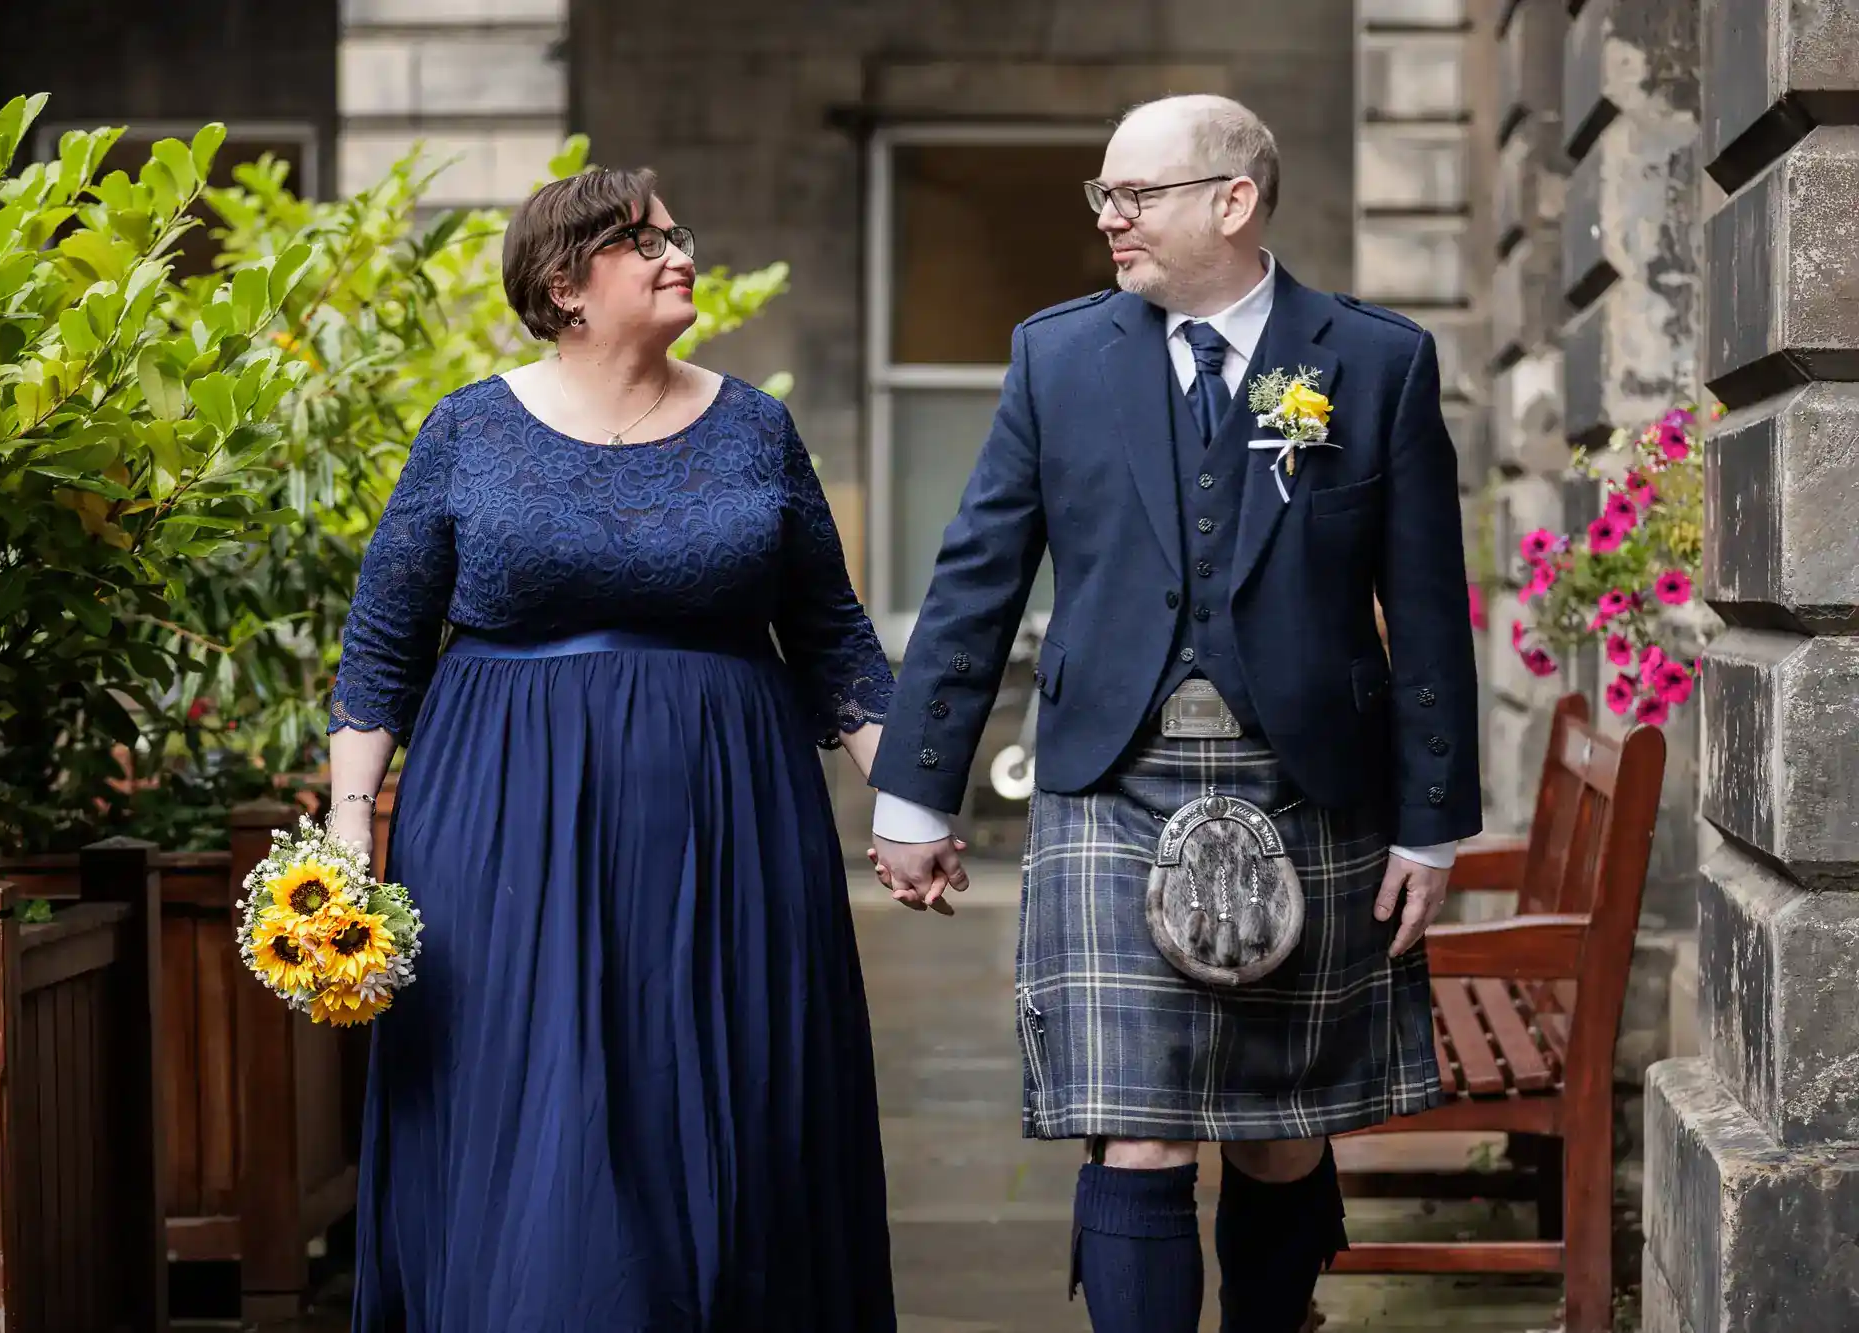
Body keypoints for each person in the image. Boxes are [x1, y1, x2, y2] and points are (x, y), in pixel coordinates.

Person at [868, 95, 1481, 1333]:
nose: (1108, 217)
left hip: (1309, 781)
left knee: (1277, 1133)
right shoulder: (1056, 355)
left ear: (1231, 201)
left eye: (1132, 195)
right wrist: (913, 787)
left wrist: (1430, 825)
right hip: (1110, 782)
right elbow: (976, 578)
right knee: (1135, 1132)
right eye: (1102, 195)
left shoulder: (1371, 359)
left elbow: (1422, 610)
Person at [325, 167, 906, 1332]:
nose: (676, 252)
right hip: (502, 822)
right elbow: (383, 640)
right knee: (533, 1102)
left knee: (731, 1093)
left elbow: (834, 638)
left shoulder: (753, 426)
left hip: (729, 817)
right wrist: (348, 829)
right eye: (642, 241)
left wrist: (909, 805)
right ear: (564, 284)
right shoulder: (468, 428)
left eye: (674, 233)